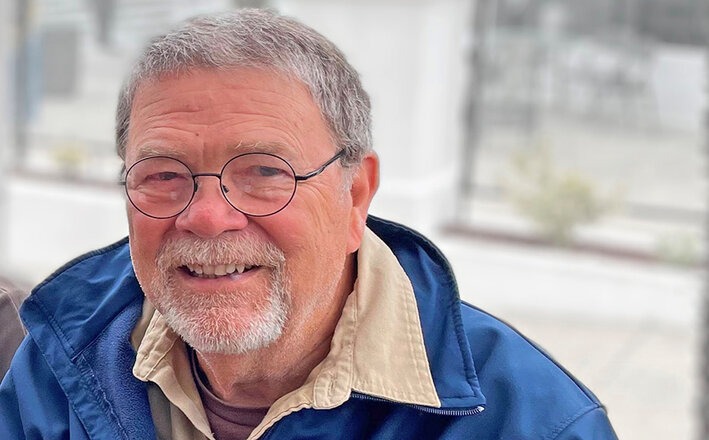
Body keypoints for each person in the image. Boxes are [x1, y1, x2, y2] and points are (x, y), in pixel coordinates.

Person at [0, 9, 617, 440]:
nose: (208, 217)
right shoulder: (60, 358)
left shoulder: (530, 423)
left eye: (265, 172)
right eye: (163, 174)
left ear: (355, 196)